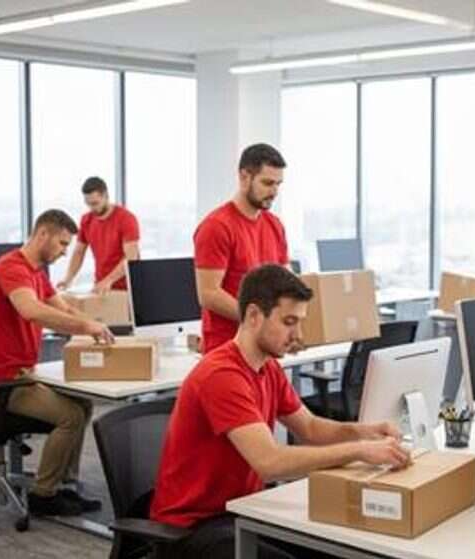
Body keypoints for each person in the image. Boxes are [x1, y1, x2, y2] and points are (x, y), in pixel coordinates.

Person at [151, 264, 410, 558]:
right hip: (193, 527)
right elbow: (269, 462)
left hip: (241, 509)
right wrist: (359, 451)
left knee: (335, 549)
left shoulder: (268, 367)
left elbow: (310, 428)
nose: (297, 334)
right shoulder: (221, 375)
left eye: (299, 322)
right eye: (289, 322)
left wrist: (364, 432)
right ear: (253, 316)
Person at [0, 209, 116, 516]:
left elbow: (63, 308)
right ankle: (43, 495)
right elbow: (32, 310)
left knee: (83, 404)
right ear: (42, 235)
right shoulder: (12, 268)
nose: (65, 252)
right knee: (70, 417)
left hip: (23, 375)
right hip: (2, 382)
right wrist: (85, 327)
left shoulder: (36, 273)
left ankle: (66, 484)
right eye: (62, 244)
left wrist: (97, 326)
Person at [194, 143, 289, 354]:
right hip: (226, 349)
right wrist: (257, 319)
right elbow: (208, 293)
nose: (274, 192)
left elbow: (284, 283)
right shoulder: (216, 227)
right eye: (267, 183)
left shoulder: (275, 225)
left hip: (264, 347)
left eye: (278, 184)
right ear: (244, 177)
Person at [57, 177, 140, 294]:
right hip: (101, 286)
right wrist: (68, 279)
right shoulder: (86, 220)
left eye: (95, 203)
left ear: (106, 196)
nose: (92, 208)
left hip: (127, 287)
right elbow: (78, 253)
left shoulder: (126, 219)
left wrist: (108, 280)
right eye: (88, 204)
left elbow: (131, 257)